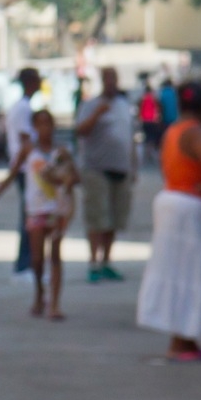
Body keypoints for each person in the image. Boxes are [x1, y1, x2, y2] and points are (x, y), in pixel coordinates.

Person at [138, 83, 201, 361]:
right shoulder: (196, 132)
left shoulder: (174, 131)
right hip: (193, 210)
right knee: (193, 274)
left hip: (176, 206)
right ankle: (182, 343)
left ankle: (185, 341)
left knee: (181, 273)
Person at [0, 108, 77, 319]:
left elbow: (75, 177)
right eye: (40, 124)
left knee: (55, 255)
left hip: (57, 209)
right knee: (36, 258)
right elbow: (12, 174)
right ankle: (39, 294)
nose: (45, 129)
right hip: (35, 210)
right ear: (34, 127)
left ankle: (54, 304)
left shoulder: (61, 151)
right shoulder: (28, 150)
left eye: (48, 123)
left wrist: (67, 179)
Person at [74, 66, 137, 282]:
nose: (111, 83)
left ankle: (107, 261)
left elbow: (129, 138)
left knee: (115, 218)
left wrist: (133, 167)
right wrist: (96, 115)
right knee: (97, 218)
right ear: (102, 81)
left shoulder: (123, 106)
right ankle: (93, 262)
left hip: (121, 169)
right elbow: (80, 131)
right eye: (107, 79)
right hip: (96, 169)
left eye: (114, 78)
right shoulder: (90, 105)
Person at [4, 67, 42, 276]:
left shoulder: (22, 107)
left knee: (30, 216)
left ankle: (27, 263)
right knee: (31, 219)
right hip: (26, 169)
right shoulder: (23, 109)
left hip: (24, 168)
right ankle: (24, 263)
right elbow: (25, 143)